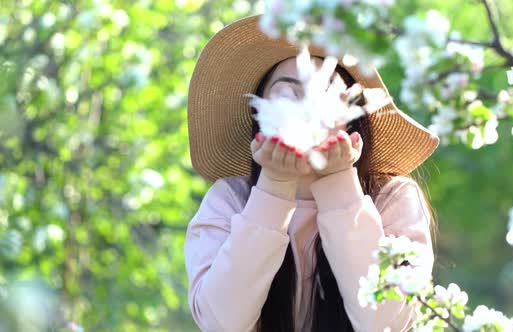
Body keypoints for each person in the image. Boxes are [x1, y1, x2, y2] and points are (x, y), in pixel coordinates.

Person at [184, 14, 440, 332]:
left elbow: (385, 323)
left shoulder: (392, 199)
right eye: (289, 93)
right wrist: (274, 187)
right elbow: (223, 323)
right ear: (258, 112)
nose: (306, 107)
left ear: (352, 117)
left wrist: (338, 184)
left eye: (326, 93)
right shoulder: (230, 201)